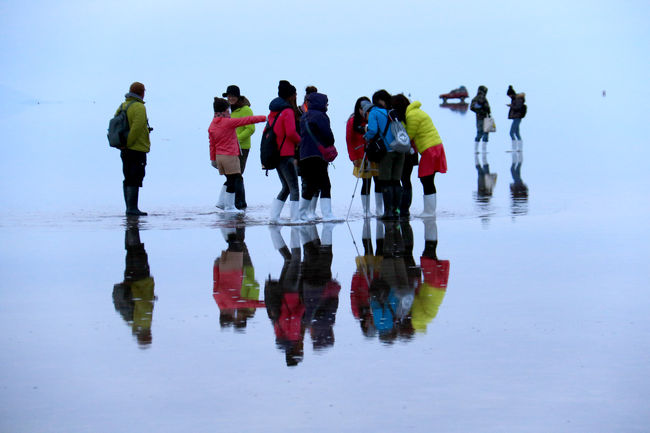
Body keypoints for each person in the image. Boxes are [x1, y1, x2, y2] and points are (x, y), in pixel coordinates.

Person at [391, 94, 447, 217]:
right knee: (428, 180)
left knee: (426, 179)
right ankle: (429, 211)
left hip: (429, 149)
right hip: (434, 147)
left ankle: (429, 211)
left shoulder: (412, 115)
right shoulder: (415, 112)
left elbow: (408, 136)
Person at [208, 98, 266, 213]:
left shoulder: (212, 125)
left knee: (231, 179)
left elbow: (212, 144)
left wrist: (213, 159)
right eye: (228, 110)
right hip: (230, 156)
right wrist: (265, 118)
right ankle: (229, 207)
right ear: (224, 111)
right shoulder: (228, 123)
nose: (229, 112)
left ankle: (221, 202)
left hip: (219, 157)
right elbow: (247, 120)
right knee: (234, 180)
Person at [362, 90, 404, 220]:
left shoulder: (374, 113)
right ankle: (396, 210)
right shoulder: (390, 112)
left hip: (387, 151)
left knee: (385, 181)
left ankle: (388, 212)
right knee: (396, 181)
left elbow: (373, 130)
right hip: (400, 149)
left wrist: (366, 136)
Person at [267, 80, 303, 224]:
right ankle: (295, 218)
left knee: (286, 187)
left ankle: (274, 217)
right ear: (291, 95)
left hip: (275, 153)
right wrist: (301, 142)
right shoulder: (287, 111)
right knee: (294, 187)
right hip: (286, 153)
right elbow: (291, 132)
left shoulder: (274, 112)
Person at [298, 92, 336, 222]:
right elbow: (328, 136)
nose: (327, 105)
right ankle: (327, 214)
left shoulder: (304, 117)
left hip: (304, 155)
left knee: (310, 184)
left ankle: (301, 214)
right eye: (326, 102)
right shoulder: (321, 116)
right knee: (325, 184)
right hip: (318, 155)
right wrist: (330, 142)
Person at [218, 85, 257, 210]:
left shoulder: (245, 110)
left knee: (236, 175)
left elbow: (251, 128)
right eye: (229, 96)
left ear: (238, 97)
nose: (231, 98)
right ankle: (237, 203)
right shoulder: (229, 111)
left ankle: (236, 203)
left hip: (242, 147)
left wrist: (236, 139)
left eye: (233, 96)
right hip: (229, 148)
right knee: (234, 175)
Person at [117, 82, 152, 216]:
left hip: (124, 149)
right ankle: (132, 208)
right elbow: (136, 128)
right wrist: (129, 143)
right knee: (135, 177)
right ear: (142, 92)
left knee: (127, 176)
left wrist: (124, 144)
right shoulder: (139, 107)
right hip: (136, 148)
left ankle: (129, 208)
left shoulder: (123, 105)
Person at [346, 96, 381, 216]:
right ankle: (366, 210)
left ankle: (379, 209)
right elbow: (349, 140)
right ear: (358, 109)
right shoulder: (352, 121)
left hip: (374, 154)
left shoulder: (372, 118)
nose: (363, 111)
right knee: (366, 183)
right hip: (361, 155)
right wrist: (353, 157)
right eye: (360, 108)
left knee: (378, 181)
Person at [470, 85, 491, 153]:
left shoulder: (480, 98)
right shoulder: (478, 98)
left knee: (483, 133)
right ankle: (480, 149)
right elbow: (472, 107)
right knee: (482, 133)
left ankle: (479, 149)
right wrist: (481, 111)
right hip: (482, 118)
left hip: (485, 117)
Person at [506, 85, 527, 151]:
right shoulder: (516, 99)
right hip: (517, 117)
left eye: (509, 95)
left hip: (517, 117)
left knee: (511, 132)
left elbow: (517, 107)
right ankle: (519, 148)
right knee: (517, 133)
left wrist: (511, 106)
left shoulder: (517, 99)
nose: (509, 97)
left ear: (511, 94)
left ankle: (514, 148)